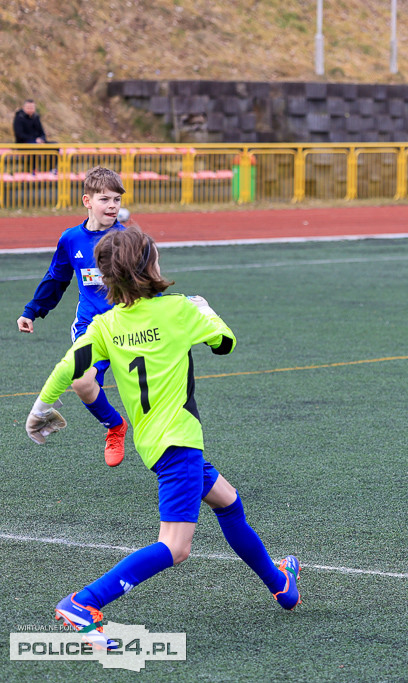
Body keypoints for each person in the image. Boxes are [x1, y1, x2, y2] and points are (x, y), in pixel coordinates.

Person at [26, 226, 300, 650]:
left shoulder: (105, 324)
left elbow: (69, 367)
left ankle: (280, 583)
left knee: (228, 501)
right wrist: (205, 309)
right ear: (148, 267)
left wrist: (40, 408)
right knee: (175, 547)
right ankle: (83, 603)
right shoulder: (178, 310)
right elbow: (225, 342)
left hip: (154, 443)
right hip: (179, 442)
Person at [17, 167, 130, 467]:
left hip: (129, 327)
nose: (112, 206)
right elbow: (57, 278)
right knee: (82, 382)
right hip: (90, 329)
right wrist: (32, 311)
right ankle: (115, 426)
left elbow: (146, 285)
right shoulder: (71, 239)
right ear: (87, 201)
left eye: (117, 200)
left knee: (148, 395)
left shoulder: (127, 239)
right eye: (104, 199)